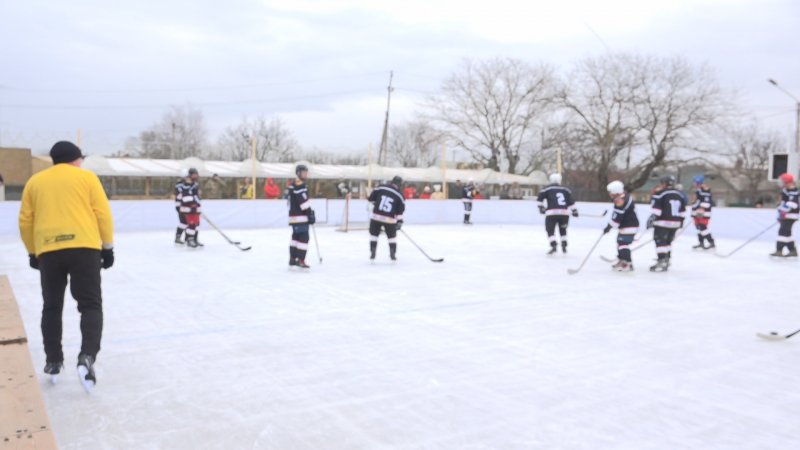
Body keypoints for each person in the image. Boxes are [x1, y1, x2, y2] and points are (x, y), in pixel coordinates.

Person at [18, 141, 114, 389]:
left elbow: (25, 221)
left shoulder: (35, 182)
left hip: (49, 250)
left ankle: (53, 360)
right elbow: (102, 213)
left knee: (51, 306)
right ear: (75, 159)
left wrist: (32, 251)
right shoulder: (87, 178)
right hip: (85, 248)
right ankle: (87, 355)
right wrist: (108, 247)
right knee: (90, 305)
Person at [646, 175, 686, 272]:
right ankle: (667, 259)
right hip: (676, 223)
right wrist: (681, 223)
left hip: (662, 222)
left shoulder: (660, 193)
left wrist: (651, 220)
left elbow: (657, 211)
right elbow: (683, 212)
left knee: (660, 242)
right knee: (668, 242)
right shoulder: (680, 194)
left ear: (664, 183)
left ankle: (662, 260)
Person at [537, 173, 578, 255]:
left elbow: (539, 199)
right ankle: (564, 245)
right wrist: (574, 211)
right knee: (563, 230)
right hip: (564, 214)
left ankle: (554, 245)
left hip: (552, 213)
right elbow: (571, 202)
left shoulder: (546, 189)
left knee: (550, 230)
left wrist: (541, 208)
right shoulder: (566, 190)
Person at [603, 180, 639, 272]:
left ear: (616, 192)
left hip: (629, 226)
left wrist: (609, 226)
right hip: (628, 225)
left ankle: (628, 263)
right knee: (620, 242)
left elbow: (617, 216)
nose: (610, 195)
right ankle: (622, 260)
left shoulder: (620, 200)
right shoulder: (625, 196)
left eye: (611, 193)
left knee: (623, 244)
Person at [368, 175, 406, 261]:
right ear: (400, 184)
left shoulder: (380, 187)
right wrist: (399, 222)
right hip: (390, 219)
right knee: (392, 237)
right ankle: (393, 254)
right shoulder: (400, 195)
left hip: (376, 217)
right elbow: (400, 211)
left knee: (374, 235)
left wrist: (376, 203)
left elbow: (371, 199)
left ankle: (373, 252)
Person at [288, 164, 315, 268]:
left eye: (306, 172)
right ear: (298, 173)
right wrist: (310, 213)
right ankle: (301, 260)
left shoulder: (293, 184)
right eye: (303, 172)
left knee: (295, 238)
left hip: (293, 217)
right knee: (304, 238)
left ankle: (292, 259)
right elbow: (303, 202)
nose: (305, 174)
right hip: (301, 217)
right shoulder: (300, 185)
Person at [772, 172, 799, 257]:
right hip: (785, 215)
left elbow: (793, 204)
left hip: (791, 216)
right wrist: (780, 211)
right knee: (787, 233)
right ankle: (792, 250)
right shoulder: (785, 191)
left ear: (788, 182)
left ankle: (779, 250)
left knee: (782, 232)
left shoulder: (794, 192)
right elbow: (782, 202)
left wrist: (783, 210)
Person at [174, 168, 203, 248]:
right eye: (193, 175)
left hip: (194, 208)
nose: (195, 176)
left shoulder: (195, 185)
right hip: (184, 208)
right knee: (186, 223)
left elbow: (197, 196)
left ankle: (194, 239)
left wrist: (197, 204)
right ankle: (186, 239)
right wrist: (180, 207)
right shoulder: (181, 185)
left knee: (196, 224)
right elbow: (183, 197)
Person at [690, 175, 716, 250]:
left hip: (703, 213)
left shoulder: (704, 190)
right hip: (697, 212)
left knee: (703, 227)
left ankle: (711, 242)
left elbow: (706, 201)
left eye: (694, 182)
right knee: (698, 228)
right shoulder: (698, 190)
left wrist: (701, 208)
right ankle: (701, 243)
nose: (693, 184)